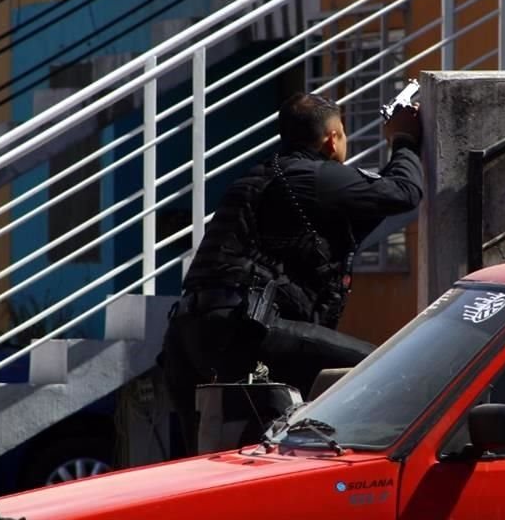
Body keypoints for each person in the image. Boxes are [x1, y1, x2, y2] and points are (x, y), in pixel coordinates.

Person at [160, 91, 423, 456]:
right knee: (385, 367)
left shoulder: (259, 178)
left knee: (204, 463)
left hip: (186, 335)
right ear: (332, 139)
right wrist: (404, 139)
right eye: (343, 133)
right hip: (243, 328)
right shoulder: (313, 178)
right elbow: (405, 193)